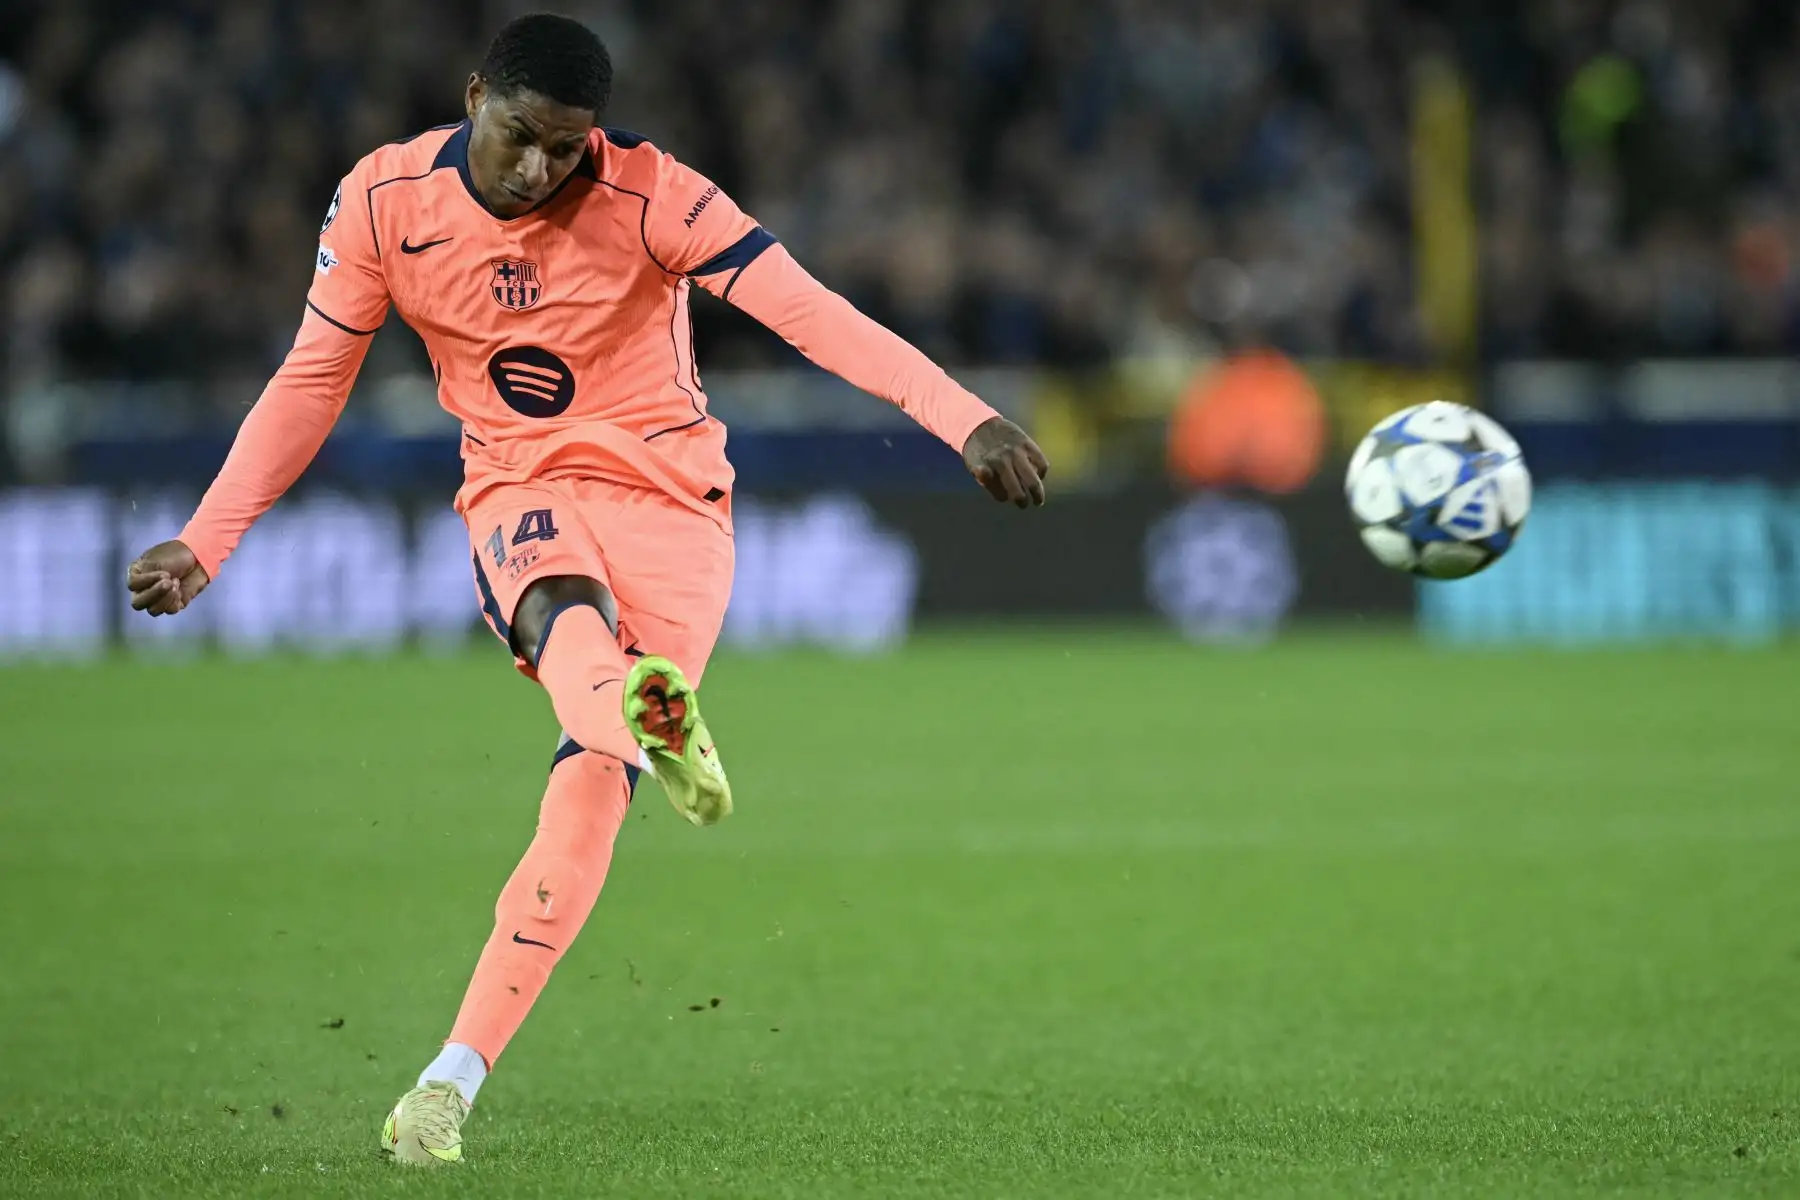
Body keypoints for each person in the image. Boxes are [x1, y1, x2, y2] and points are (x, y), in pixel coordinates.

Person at [122, 12, 1048, 1167]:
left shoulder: (655, 195)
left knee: (592, 790)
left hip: (674, 503)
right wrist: (207, 541)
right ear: (474, 97)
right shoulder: (381, 203)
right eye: (521, 137)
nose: (541, 169)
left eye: (568, 149)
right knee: (563, 613)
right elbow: (314, 379)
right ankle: (635, 706)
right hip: (521, 485)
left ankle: (443, 1086)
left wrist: (965, 418)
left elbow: (811, 314)